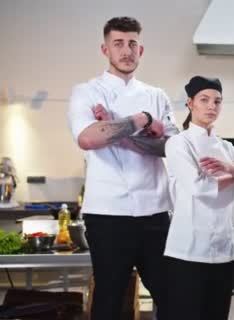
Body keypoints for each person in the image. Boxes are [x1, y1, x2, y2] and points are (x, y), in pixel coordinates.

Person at [66, 16, 178, 320]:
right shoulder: (86, 91)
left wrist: (116, 131)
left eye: (133, 44)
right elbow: (89, 138)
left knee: (172, 296)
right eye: (119, 43)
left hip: (156, 211)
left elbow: (172, 147)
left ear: (141, 50)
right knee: (110, 300)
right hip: (108, 214)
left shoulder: (157, 95)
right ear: (105, 49)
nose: (126, 50)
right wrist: (141, 121)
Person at [163, 76, 234, 319]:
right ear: (190, 103)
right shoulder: (177, 143)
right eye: (204, 100)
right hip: (188, 249)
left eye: (217, 101)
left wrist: (232, 170)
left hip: (224, 249)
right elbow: (198, 187)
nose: (211, 106)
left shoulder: (226, 148)